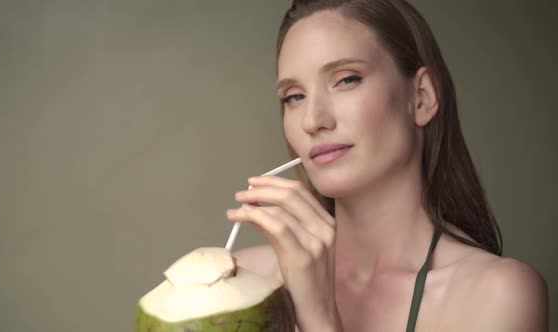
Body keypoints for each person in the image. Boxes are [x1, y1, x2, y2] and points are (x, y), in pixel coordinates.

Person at [225, 0, 549, 331]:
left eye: (346, 80)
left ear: (421, 97)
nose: (312, 121)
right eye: (294, 96)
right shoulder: (236, 283)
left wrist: (318, 316)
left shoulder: (497, 295)